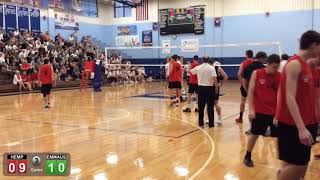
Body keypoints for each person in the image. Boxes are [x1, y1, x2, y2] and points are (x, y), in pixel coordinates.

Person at [276, 30, 320, 180]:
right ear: (314, 45)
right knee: (299, 164)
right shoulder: (295, 64)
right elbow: (289, 96)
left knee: (295, 163)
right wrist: (301, 128)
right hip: (293, 125)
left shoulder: (306, 65)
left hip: (306, 123)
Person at [243, 54, 281, 167]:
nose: (275, 70)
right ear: (267, 64)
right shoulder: (257, 73)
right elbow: (250, 92)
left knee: (281, 136)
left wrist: (278, 114)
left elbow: (280, 96)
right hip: (259, 111)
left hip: (274, 112)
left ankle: (285, 162)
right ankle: (247, 156)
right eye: (273, 67)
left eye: (277, 67)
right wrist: (251, 109)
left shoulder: (280, 76)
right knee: (254, 134)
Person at [190, 56, 218, 128]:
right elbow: (214, 78)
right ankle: (211, 124)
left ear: (202, 60)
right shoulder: (212, 68)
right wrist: (216, 87)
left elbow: (191, 72)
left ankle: (201, 124)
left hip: (201, 89)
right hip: (209, 89)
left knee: (201, 107)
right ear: (208, 60)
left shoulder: (198, 67)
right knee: (210, 106)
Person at [235, 50, 254, 123]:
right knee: (254, 103)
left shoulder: (243, 63)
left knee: (243, 101)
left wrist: (242, 83)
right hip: (254, 85)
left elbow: (239, 74)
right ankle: (254, 120)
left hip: (245, 85)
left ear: (246, 55)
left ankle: (240, 118)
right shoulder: (255, 63)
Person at [212, 59, 228, 124]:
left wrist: (220, 84)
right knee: (214, 103)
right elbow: (226, 76)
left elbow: (226, 76)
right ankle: (219, 118)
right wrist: (220, 84)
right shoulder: (218, 68)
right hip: (214, 87)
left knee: (212, 103)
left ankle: (217, 118)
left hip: (212, 87)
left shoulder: (216, 68)